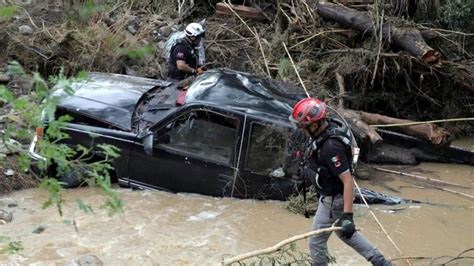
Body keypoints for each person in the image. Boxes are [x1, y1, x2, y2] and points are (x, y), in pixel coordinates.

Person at [289, 98, 392, 266]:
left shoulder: (331, 147)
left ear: (314, 125)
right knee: (345, 234)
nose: (302, 131)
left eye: (304, 127)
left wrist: (348, 216)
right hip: (332, 197)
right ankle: (381, 262)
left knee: (316, 242)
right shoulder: (327, 129)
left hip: (334, 201)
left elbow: (348, 181)